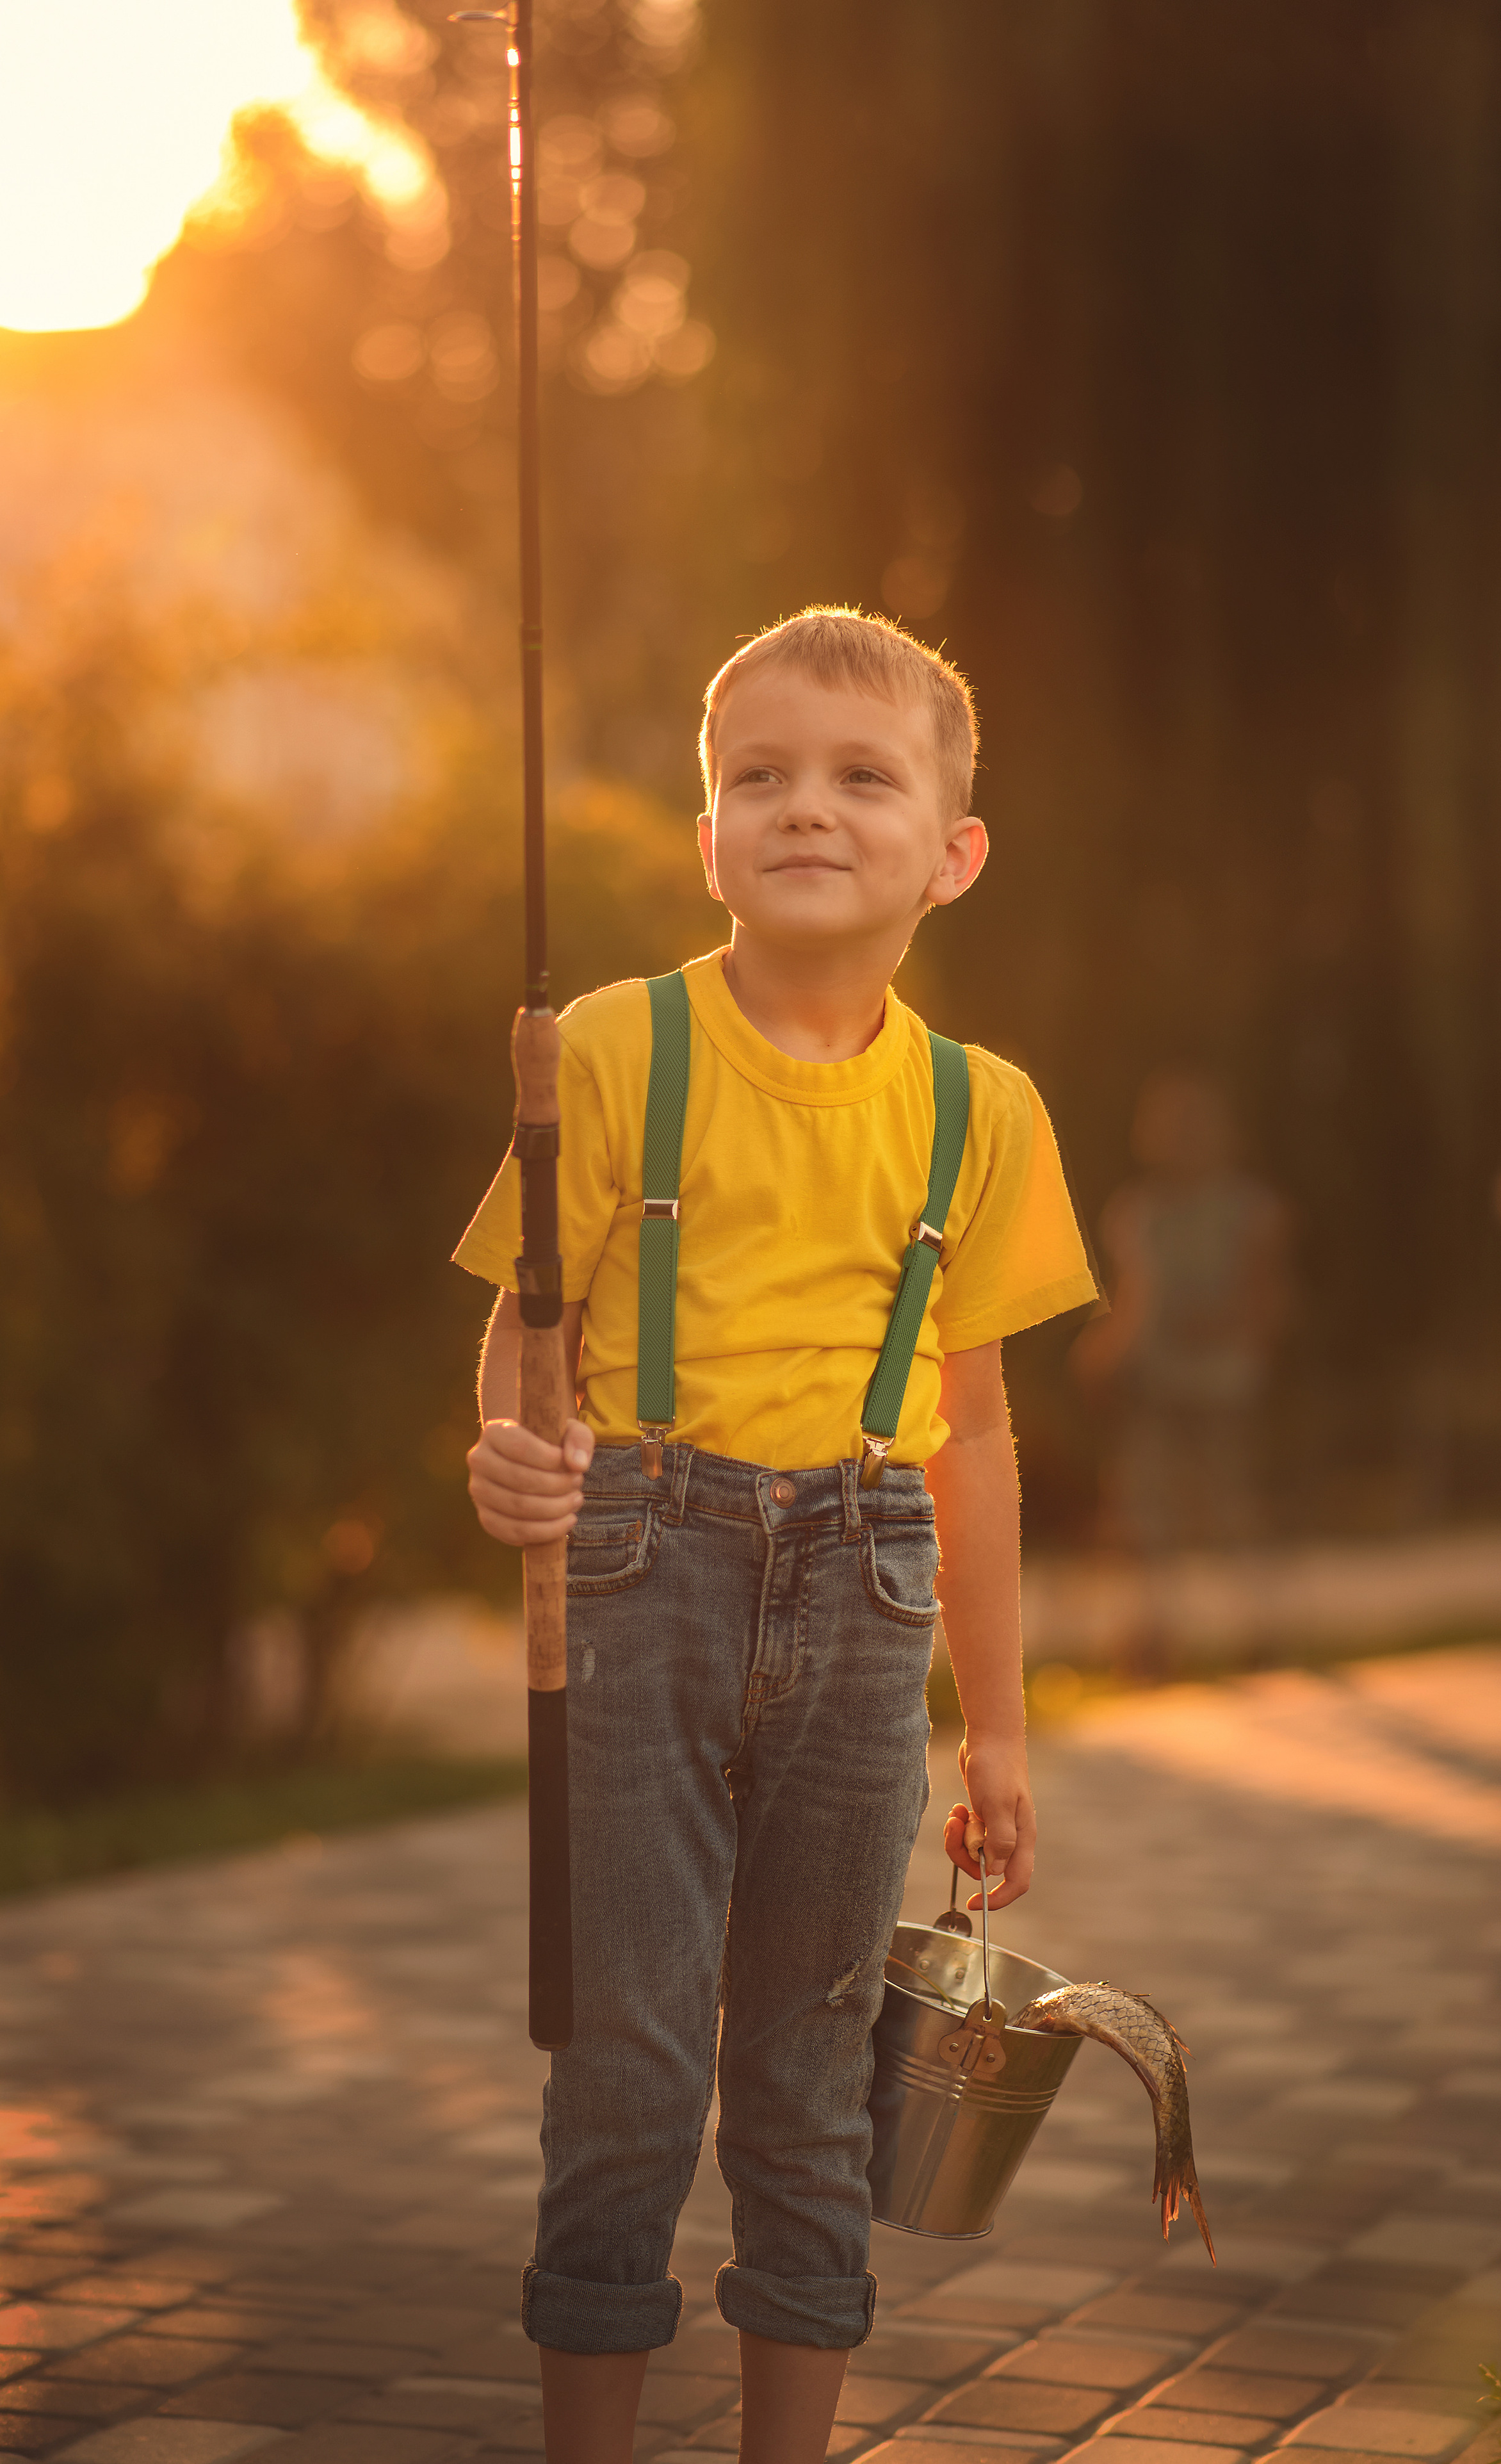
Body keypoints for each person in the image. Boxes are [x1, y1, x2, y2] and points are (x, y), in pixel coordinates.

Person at [456, 608, 1098, 2464]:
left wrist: (998, 1729)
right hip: (639, 1569)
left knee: (812, 2080)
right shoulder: (604, 1047)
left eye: (861, 774)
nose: (804, 806)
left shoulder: (983, 1109)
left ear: (952, 851)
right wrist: (508, 1441)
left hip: (872, 1573)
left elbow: (970, 1433)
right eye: (760, 775)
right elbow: (526, 1319)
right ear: (708, 834)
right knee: (629, 2072)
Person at [1070, 1068, 1291, 1556]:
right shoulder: (1139, 1214)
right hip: (1157, 1385)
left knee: (1231, 1504)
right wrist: (1102, 1353)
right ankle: (1152, 1619)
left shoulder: (1248, 1210)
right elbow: (1133, 1302)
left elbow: (1267, 1297)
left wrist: (1232, 1327)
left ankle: (1256, 1614)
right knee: (1144, 1505)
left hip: (1225, 1386)